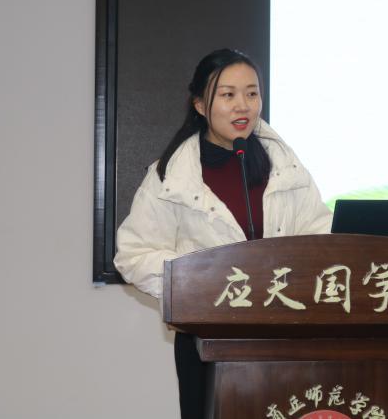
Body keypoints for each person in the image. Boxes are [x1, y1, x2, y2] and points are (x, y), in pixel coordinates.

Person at [113, 48, 332, 419]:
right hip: (207, 342)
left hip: (285, 335)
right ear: (200, 105)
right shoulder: (172, 176)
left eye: (252, 93)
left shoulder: (287, 168)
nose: (242, 105)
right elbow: (133, 254)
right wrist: (201, 278)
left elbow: (320, 236)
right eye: (228, 95)